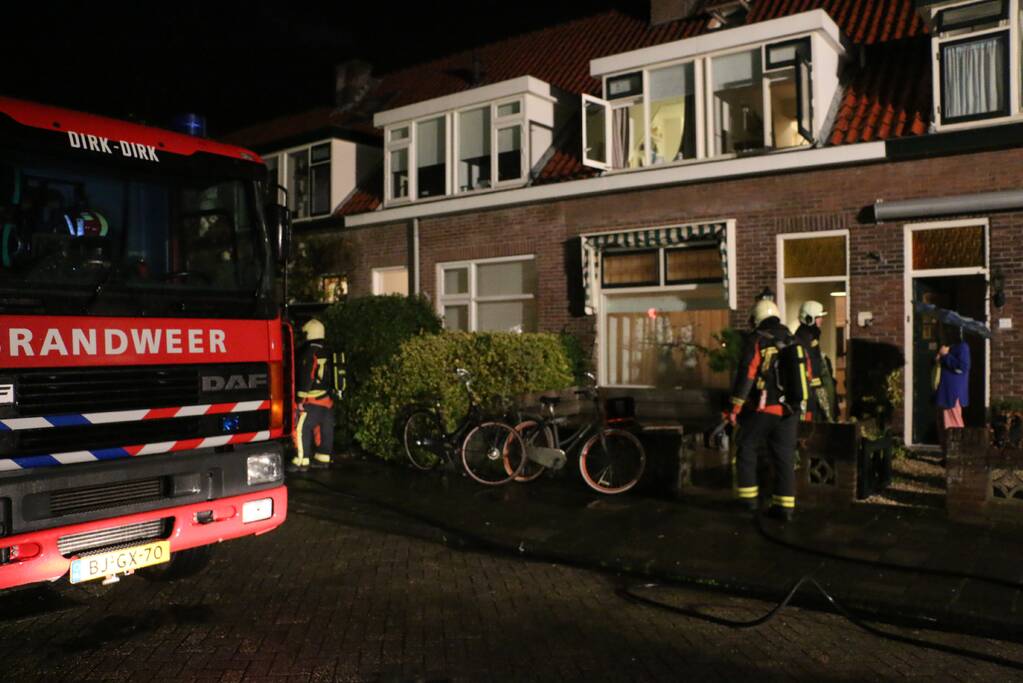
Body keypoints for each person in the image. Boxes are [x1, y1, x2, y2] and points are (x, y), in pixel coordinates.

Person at [728, 299, 810, 522]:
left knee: (746, 445)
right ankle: (785, 508)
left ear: (756, 319)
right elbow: (808, 375)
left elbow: (747, 375)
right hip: (790, 410)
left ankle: (748, 502)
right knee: (784, 456)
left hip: (765, 407)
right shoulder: (795, 340)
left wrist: (735, 408)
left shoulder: (757, 340)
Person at [290, 318, 339, 471]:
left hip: (311, 401)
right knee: (325, 430)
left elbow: (307, 376)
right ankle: (323, 458)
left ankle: (301, 461)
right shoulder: (329, 350)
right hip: (327, 400)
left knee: (300, 429)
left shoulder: (308, 352)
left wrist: (299, 400)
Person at [793, 300, 835, 422]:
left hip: (814, 389)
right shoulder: (804, 337)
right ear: (809, 319)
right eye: (819, 317)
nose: (822, 320)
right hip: (809, 391)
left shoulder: (811, 335)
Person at [934, 325, 970, 453]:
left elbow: (963, 367)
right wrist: (939, 357)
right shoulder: (949, 347)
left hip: (953, 393)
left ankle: (957, 454)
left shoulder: (963, 347)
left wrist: (945, 355)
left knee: (953, 423)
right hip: (943, 391)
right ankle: (946, 454)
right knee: (942, 424)